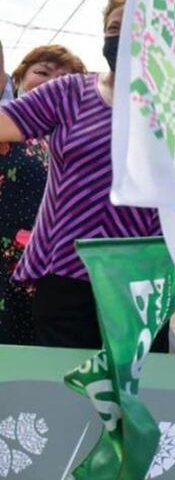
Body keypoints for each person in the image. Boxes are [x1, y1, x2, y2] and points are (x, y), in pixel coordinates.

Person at [0, 0, 167, 350]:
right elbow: (6, 124)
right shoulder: (70, 92)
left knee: (135, 390)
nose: (122, 36)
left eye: (135, 26)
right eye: (114, 28)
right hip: (66, 271)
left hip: (143, 278)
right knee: (67, 393)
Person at [0, 46, 86, 345]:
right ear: (17, 78)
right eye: (43, 72)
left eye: (65, 79)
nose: (53, 83)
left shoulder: (82, 145)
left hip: (56, 274)